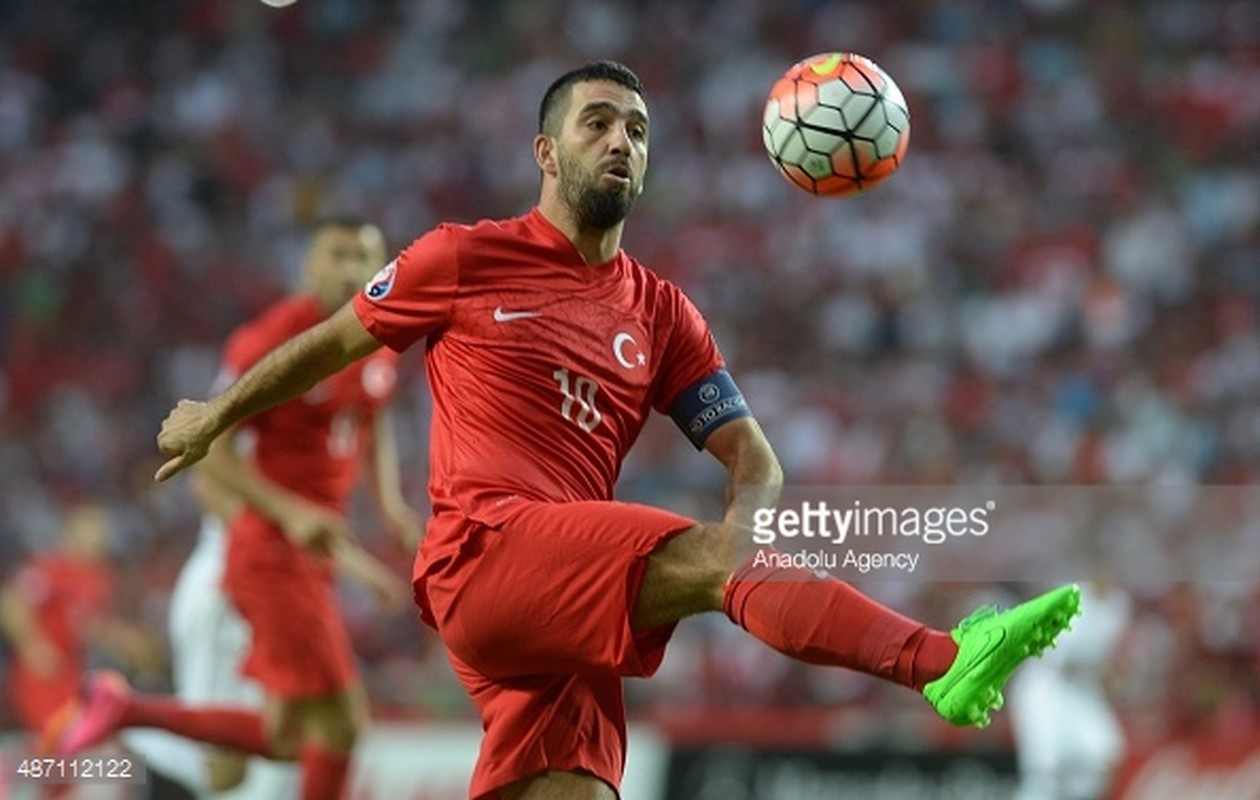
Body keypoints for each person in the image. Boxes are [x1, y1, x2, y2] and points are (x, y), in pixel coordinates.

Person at [78, 61, 1077, 799]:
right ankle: (941, 659)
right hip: (484, 550)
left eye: (638, 129)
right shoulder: (463, 257)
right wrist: (217, 413)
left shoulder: (662, 309)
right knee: (694, 559)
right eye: (599, 123)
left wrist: (751, 529)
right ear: (547, 152)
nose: (622, 142)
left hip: (559, 593)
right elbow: (332, 343)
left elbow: (752, 455)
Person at [45, 216, 421, 800]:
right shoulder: (272, 339)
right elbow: (210, 450)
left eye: (364, 258)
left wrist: (390, 504)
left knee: (286, 736)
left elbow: (373, 415)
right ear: (307, 265)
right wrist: (289, 513)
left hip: (301, 559)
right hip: (264, 555)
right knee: (340, 726)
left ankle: (127, 709)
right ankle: (103, 743)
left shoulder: (376, 336)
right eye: (338, 255)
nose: (352, 270)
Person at [0, 503, 161, 741]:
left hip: (72, 674)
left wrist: (127, 642)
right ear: (73, 533)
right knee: (58, 743)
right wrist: (33, 645)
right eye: (92, 530)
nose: (99, 537)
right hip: (43, 676)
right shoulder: (52, 568)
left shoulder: (99, 577)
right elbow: (11, 601)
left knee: (75, 744)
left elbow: (91, 626)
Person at [1010, 581, 1132, 800]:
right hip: (1044, 689)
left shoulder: (1118, 604)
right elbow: (1063, 662)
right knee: (1043, 776)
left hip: (1078, 692)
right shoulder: (1074, 598)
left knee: (1102, 757)